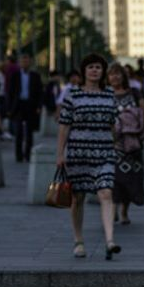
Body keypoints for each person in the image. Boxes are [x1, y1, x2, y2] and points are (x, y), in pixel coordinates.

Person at [56, 54, 121, 260]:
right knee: (78, 198)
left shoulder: (109, 94)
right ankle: (79, 241)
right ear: (84, 71)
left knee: (106, 193)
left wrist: (116, 144)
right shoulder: (72, 94)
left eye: (98, 67)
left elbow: (113, 124)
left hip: (104, 153)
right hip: (78, 154)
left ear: (103, 72)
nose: (94, 70)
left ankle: (110, 241)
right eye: (91, 67)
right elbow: (64, 126)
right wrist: (60, 153)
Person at [107, 63, 144, 224]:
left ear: (124, 76)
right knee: (113, 178)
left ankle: (124, 211)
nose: (115, 77)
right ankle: (114, 208)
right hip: (112, 143)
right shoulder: (105, 95)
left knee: (131, 178)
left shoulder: (135, 93)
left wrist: (134, 121)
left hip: (132, 143)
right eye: (111, 74)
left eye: (118, 74)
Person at [8, 53, 44, 162]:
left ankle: (28, 155)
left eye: (27, 61)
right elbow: (10, 92)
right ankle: (19, 156)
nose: (25, 63)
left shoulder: (35, 76)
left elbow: (40, 92)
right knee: (18, 131)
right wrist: (9, 108)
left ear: (30, 62)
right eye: (23, 61)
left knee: (29, 132)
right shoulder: (15, 75)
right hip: (18, 105)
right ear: (19, 63)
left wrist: (39, 106)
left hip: (30, 105)